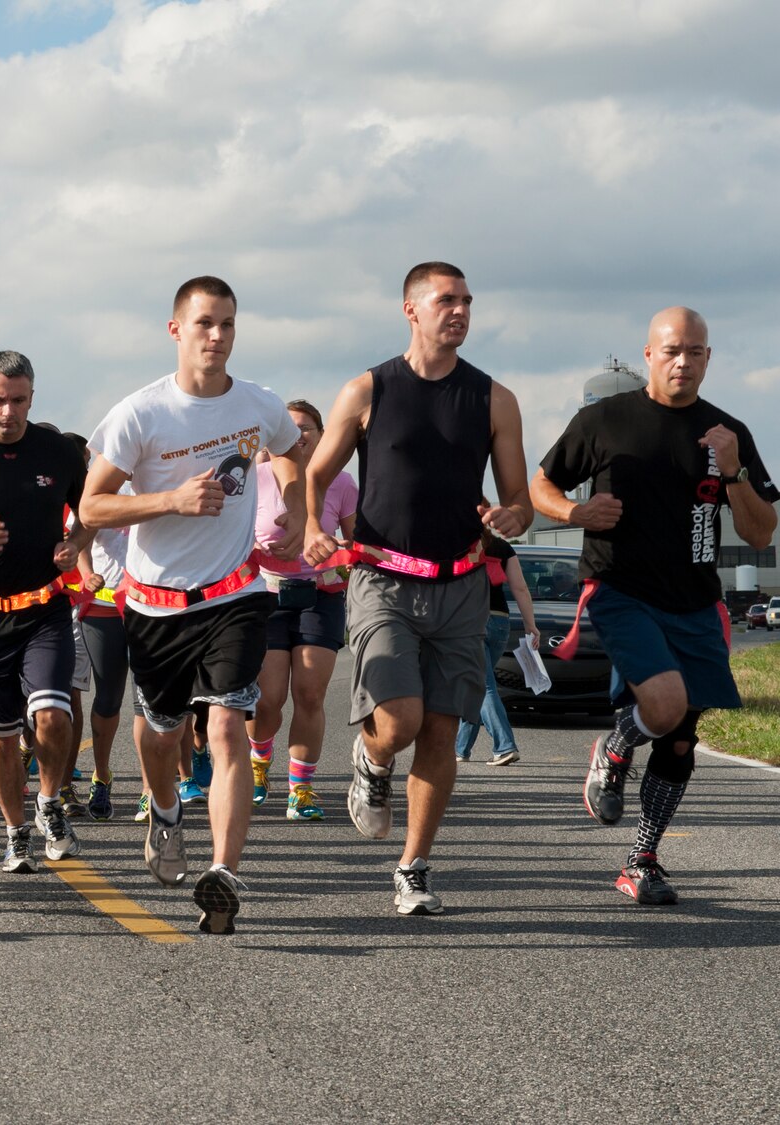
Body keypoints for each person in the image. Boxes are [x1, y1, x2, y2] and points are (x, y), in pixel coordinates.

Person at [303, 261, 533, 917]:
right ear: (412, 310)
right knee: (399, 720)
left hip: (461, 584)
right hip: (382, 577)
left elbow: (518, 498)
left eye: (466, 300)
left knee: (440, 728)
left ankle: (413, 867)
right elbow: (316, 477)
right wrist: (315, 532)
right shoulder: (368, 389)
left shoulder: (495, 398)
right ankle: (372, 760)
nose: (459, 310)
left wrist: (514, 514)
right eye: (445, 300)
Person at [532, 307, 777, 905]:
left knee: (680, 737)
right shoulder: (604, 419)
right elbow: (541, 487)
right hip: (621, 588)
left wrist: (734, 471)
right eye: (672, 350)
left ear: (708, 359)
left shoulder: (728, 432)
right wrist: (575, 513)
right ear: (648, 354)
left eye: (695, 352)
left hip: (695, 602)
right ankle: (617, 745)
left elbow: (762, 533)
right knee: (663, 704)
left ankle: (643, 859)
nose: (683, 362)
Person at [80, 276, 301, 935]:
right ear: (176, 330)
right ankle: (168, 809)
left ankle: (224, 872)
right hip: (154, 606)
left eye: (228, 324)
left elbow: (292, 450)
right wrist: (171, 500)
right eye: (205, 323)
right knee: (161, 732)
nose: (217, 336)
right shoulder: (140, 414)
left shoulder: (259, 404)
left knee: (231, 726)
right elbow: (93, 507)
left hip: (234, 593)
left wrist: (296, 506)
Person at [0, 353, 89, 875]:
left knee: (53, 713)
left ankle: (50, 803)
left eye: (19, 399)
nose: (8, 411)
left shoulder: (58, 451)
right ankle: (15, 833)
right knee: (2, 734)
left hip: (43, 607)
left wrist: (75, 543)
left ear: (33, 397)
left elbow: (93, 507)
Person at [248, 399, 356, 821]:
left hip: (320, 595)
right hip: (266, 596)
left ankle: (301, 789)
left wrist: (337, 558)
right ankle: (258, 766)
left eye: (308, 427)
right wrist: (254, 553)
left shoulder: (342, 482)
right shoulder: (253, 479)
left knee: (310, 693)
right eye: (290, 426)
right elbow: (231, 540)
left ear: (321, 434)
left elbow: (356, 542)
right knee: (268, 698)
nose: (299, 433)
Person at [454, 518, 538, 765]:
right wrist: (530, 624)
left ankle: (504, 746)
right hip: (500, 622)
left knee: (483, 686)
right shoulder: (502, 547)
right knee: (478, 684)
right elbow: (520, 588)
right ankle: (460, 749)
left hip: (469, 622)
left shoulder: (457, 545)